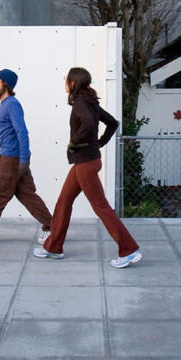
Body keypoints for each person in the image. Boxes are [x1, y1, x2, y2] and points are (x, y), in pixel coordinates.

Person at [33, 67, 143, 269]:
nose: (64, 82)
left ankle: (129, 250)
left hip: (85, 163)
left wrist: (74, 142)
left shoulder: (81, 103)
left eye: (66, 79)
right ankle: (53, 248)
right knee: (64, 201)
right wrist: (99, 143)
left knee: (101, 207)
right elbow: (112, 123)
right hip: (86, 161)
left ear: (73, 83)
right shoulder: (89, 102)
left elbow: (90, 124)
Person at [0, 68, 53, 244]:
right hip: (15, 160)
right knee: (28, 196)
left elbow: (22, 132)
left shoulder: (11, 104)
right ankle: (53, 229)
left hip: (9, 161)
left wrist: (24, 161)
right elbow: (4, 135)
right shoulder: (6, 104)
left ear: (6, 85)